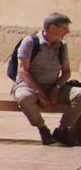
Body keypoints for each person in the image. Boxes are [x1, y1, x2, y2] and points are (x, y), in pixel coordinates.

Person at [12, 13, 80, 145]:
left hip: (54, 86)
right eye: (65, 28)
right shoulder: (30, 42)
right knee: (23, 97)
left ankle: (62, 131)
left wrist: (56, 88)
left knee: (80, 95)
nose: (68, 31)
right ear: (53, 27)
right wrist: (40, 94)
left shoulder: (61, 45)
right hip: (28, 86)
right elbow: (22, 71)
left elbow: (66, 72)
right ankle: (42, 128)